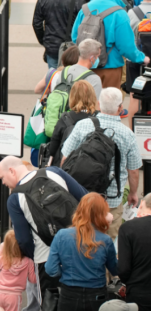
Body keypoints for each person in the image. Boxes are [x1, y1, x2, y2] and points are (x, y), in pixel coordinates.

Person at [0, 156, 89, 311]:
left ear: (12, 171)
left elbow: (24, 240)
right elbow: (85, 198)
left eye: (2, 177)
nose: (3, 182)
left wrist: (35, 257)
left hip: (46, 259)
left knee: (49, 304)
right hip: (80, 246)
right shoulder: (55, 172)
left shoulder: (15, 199)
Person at [61, 87, 143, 240]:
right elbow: (133, 170)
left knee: (80, 237)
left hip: (81, 195)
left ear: (99, 104)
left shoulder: (83, 125)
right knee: (109, 241)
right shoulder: (128, 134)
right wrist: (132, 193)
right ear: (120, 108)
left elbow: (65, 158)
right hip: (110, 198)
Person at [71, 0, 150, 89]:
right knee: (109, 105)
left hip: (85, 67)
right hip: (110, 68)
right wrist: (142, 58)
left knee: (87, 103)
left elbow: (74, 36)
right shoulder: (119, 13)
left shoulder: (85, 9)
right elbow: (126, 46)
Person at [45, 193, 118, 311]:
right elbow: (115, 269)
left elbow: (50, 269)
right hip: (96, 294)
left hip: (69, 293)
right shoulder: (106, 240)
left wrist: (65, 273)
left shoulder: (62, 235)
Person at [33, 0, 86, 69]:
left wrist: (43, 40)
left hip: (51, 46)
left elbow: (36, 23)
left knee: (53, 77)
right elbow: (83, 25)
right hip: (71, 48)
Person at [47, 80, 99, 166]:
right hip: (93, 167)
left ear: (72, 97)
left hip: (68, 167)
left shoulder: (65, 118)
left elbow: (53, 148)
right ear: (93, 96)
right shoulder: (99, 118)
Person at [117, 192, 151, 310]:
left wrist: (125, 282)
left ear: (142, 203)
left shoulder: (128, 228)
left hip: (139, 293)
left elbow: (124, 268)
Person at [0, 230, 37, 311]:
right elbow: (33, 280)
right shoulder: (28, 262)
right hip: (14, 296)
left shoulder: (3, 259)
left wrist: (0, 251)